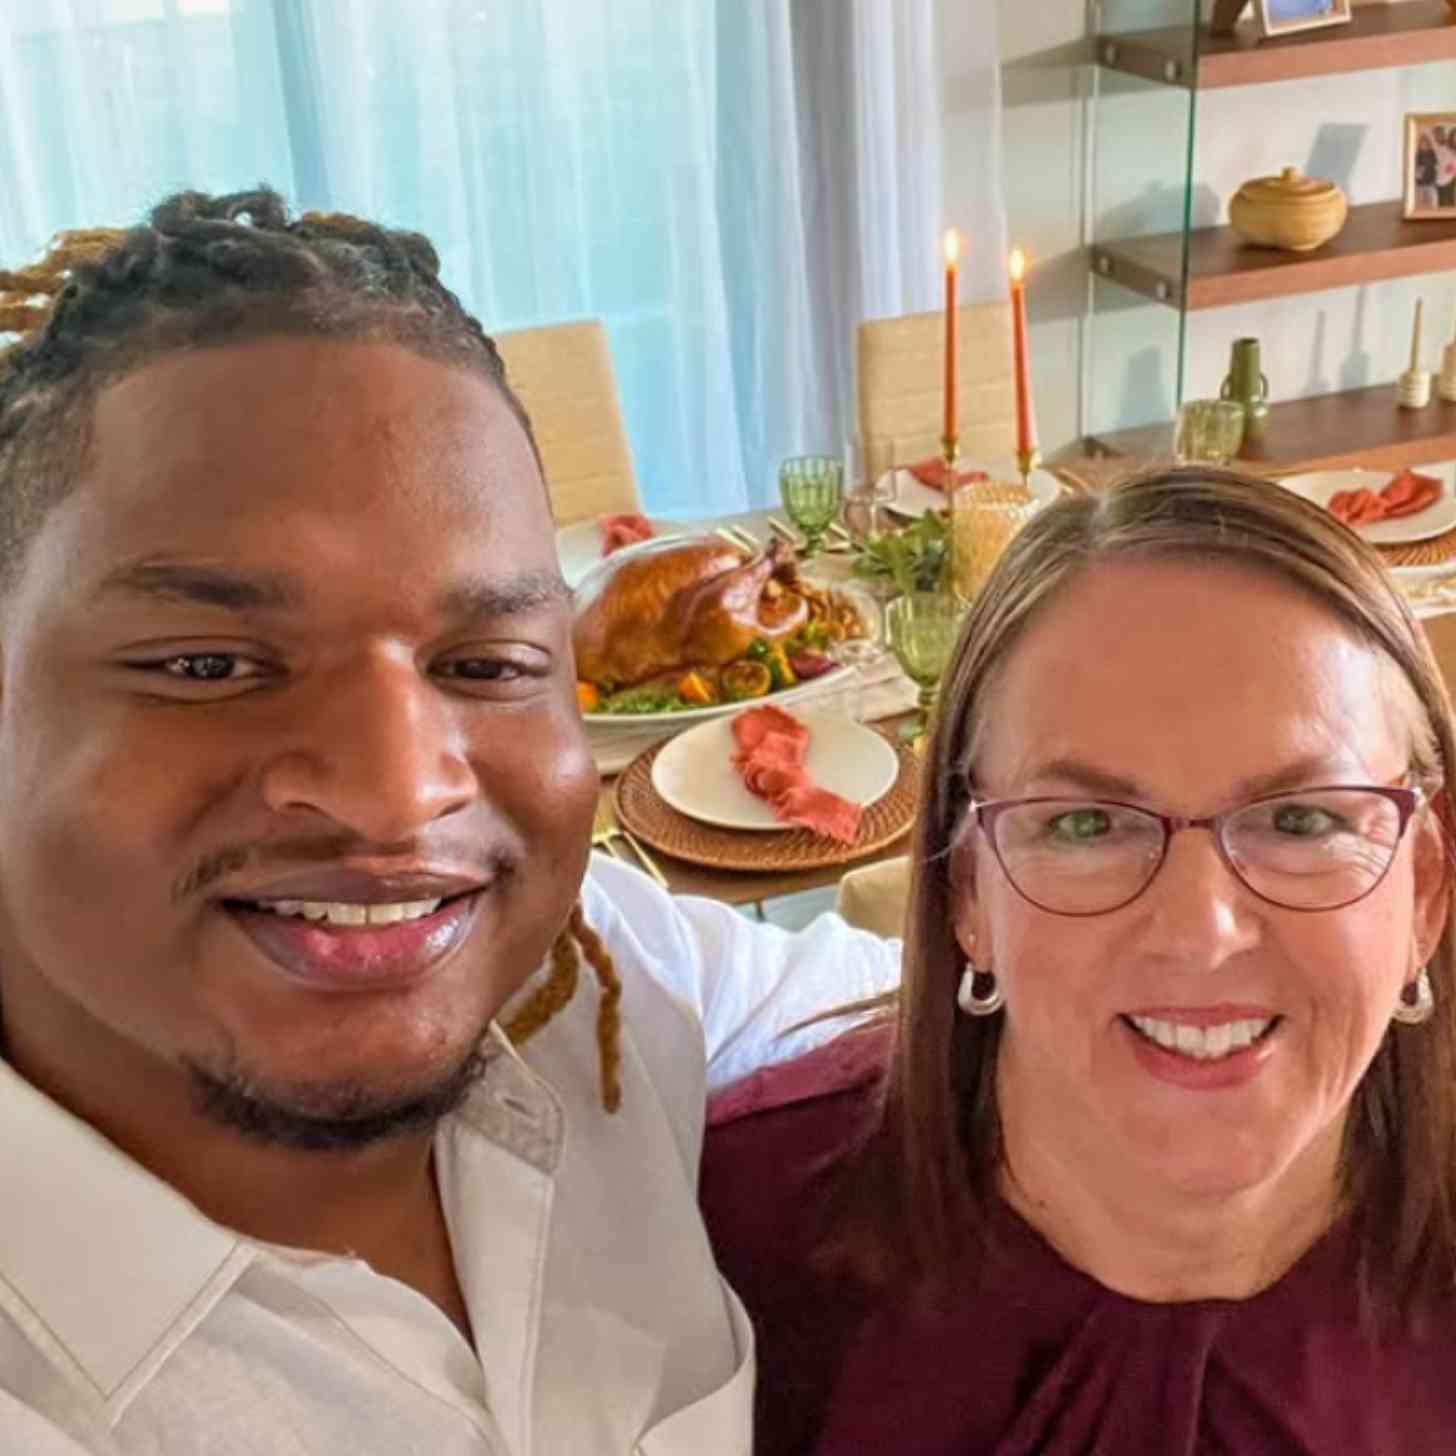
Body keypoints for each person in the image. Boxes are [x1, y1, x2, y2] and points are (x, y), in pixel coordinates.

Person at [0, 190, 899, 1454]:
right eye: (207, 665)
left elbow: (969, 1019)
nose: (394, 791)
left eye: (484, 665)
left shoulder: (600, 995)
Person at [702, 466, 1456, 1454]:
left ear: (1425, 892)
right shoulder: (726, 1243)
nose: (1201, 930)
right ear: (967, 891)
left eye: (1300, 817)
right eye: (1087, 822)